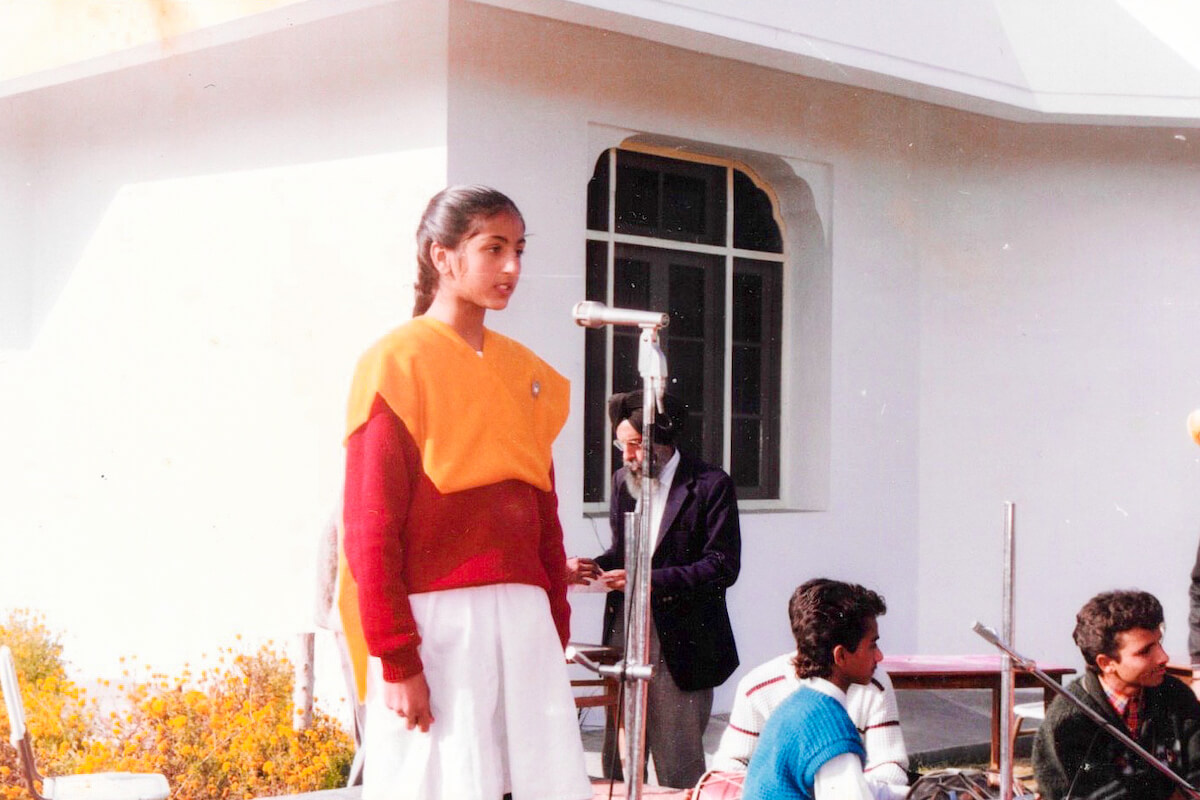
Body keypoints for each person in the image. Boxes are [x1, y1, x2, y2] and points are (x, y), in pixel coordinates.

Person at [337, 186, 592, 800]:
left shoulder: (527, 371)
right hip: (440, 624)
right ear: (441, 256)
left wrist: (554, 625)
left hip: (524, 623)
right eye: (494, 248)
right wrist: (398, 660)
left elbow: (543, 516)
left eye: (520, 250)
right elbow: (369, 527)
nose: (513, 268)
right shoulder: (396, 362)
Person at [581, 389, 741, 789]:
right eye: (622, 445)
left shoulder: (709, 485)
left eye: (634, 445)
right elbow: (623, 551)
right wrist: (590, 568)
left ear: (661, 441)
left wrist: (652, 582)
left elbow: (722, 566)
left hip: (681, 641)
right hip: (626, 629)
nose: (626, 456)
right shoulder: (623, 482)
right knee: (618, 762)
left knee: (677, 766)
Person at [713, 590, 910, 799]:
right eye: (872, 645)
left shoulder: (803, 702)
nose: (879, 656)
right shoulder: (829, 726)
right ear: (841, 655)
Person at [1033, 589, 1200, 800]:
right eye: (1145, 651)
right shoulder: (1070, 719)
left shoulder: (1175, 695)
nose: (1163, 657)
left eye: (1159, 642)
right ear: (1106, 663)